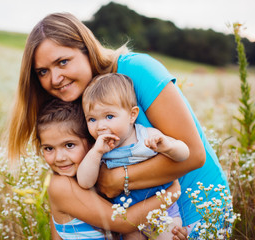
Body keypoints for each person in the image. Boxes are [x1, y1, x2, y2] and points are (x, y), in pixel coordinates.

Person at [5, 12, 229, 237]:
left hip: (193, 213)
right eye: (43, 72)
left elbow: (195, 155)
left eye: (63, 62)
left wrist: (117, 178)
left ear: (87, 48)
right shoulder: (68, 108)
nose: (54, 79)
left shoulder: (137, 70)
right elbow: (67, 195)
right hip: (135, 224)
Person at [36, 98, 183, 239]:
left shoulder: (96, 175)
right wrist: (172, 192)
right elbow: (124, 223)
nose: (59, 157)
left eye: (69, 145)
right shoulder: (61, 185)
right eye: (48, 148)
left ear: (91, 143)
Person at [77, 73, 188, 239]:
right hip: (129, 221)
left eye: (109, 116)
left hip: (162, 213)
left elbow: (185, 154)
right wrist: (96, 153)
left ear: (132, 115)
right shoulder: (98, 150)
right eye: (92, 119)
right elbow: (85, 182)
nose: (100, 126)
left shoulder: (147, 136)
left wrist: (168, 147)